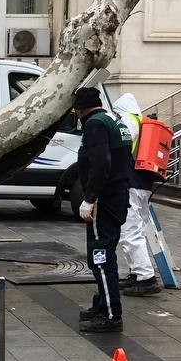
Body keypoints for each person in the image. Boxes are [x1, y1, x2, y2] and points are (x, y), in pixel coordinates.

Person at [73, 86, 133, 333]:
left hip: (104, 202)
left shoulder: (95, 125)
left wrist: (89, 198)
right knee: (103, 253)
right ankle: (101, 304)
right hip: (117, 196)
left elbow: (101, 163)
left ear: (80, 109)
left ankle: (111, 315)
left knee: (101, 257)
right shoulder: (113, 120)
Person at [113, 93, 161, 298]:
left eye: (115, 112)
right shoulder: (141, 122)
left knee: (129, 232)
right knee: (137, 230)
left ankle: (145, 277)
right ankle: (137, 273)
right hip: (143, 183)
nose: (114, 116)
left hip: (132, 182)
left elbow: (120, 149)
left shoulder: (128, 121)